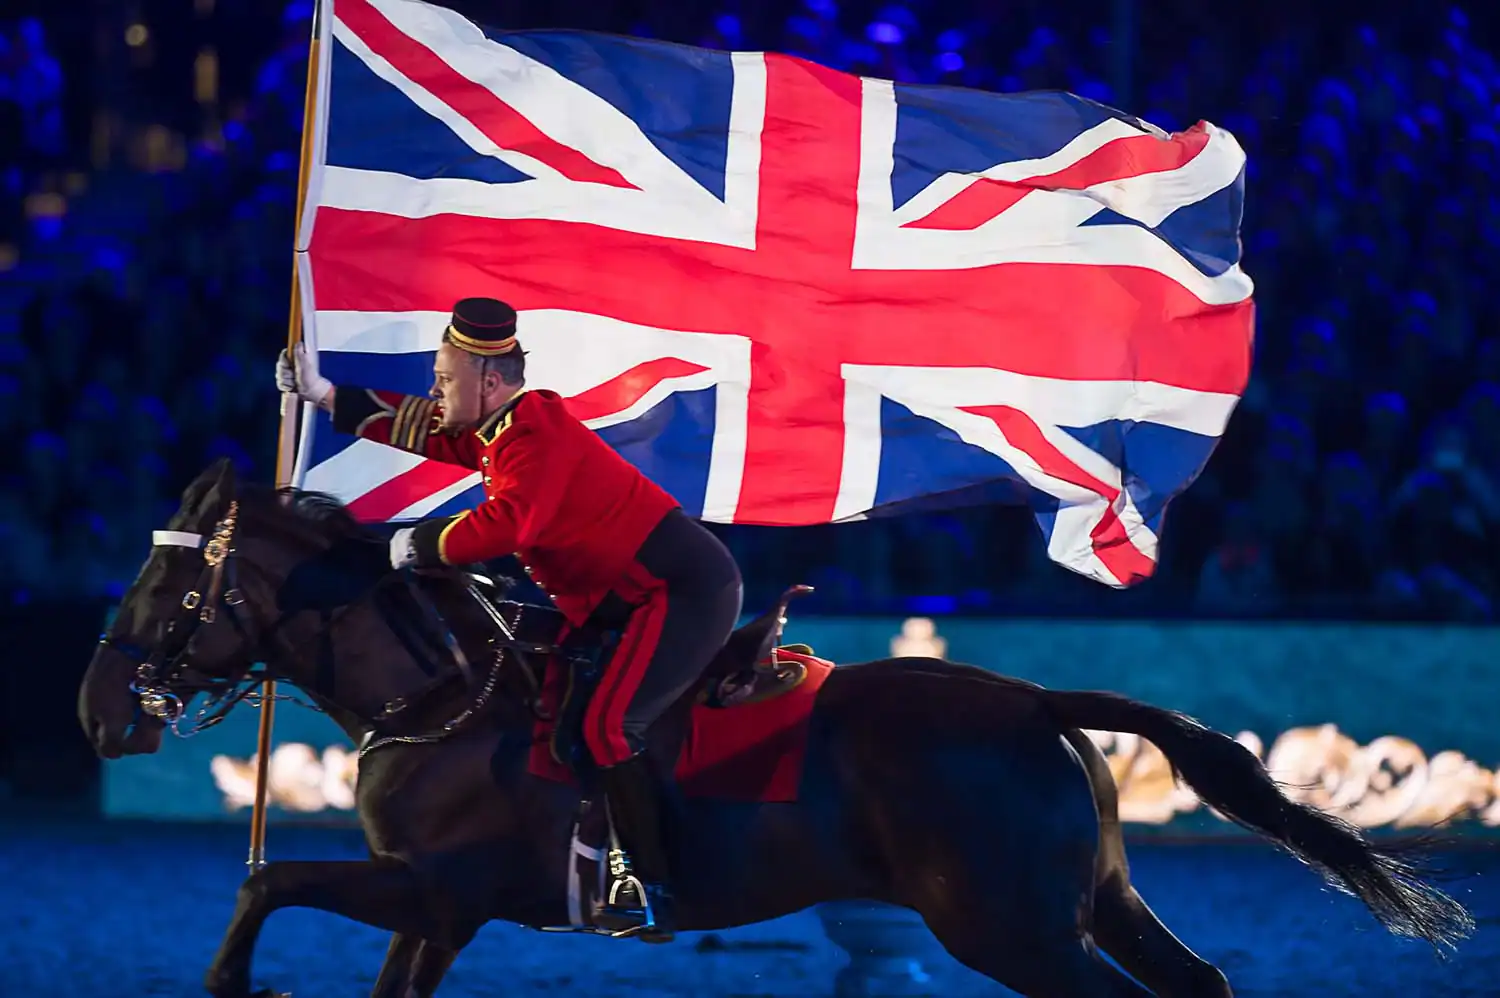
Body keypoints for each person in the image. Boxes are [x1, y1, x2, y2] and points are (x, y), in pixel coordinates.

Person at [275, 296, 744, 940]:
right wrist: (326, 395)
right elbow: (422, 427)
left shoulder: (535, 435)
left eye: (444, 379)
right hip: (614, 600)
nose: (435, 390)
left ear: (488, 381)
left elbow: (508, 524)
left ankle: (649, 884)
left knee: (608, 727)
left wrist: (408, 545)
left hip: (678, 594)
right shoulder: (503, 427)